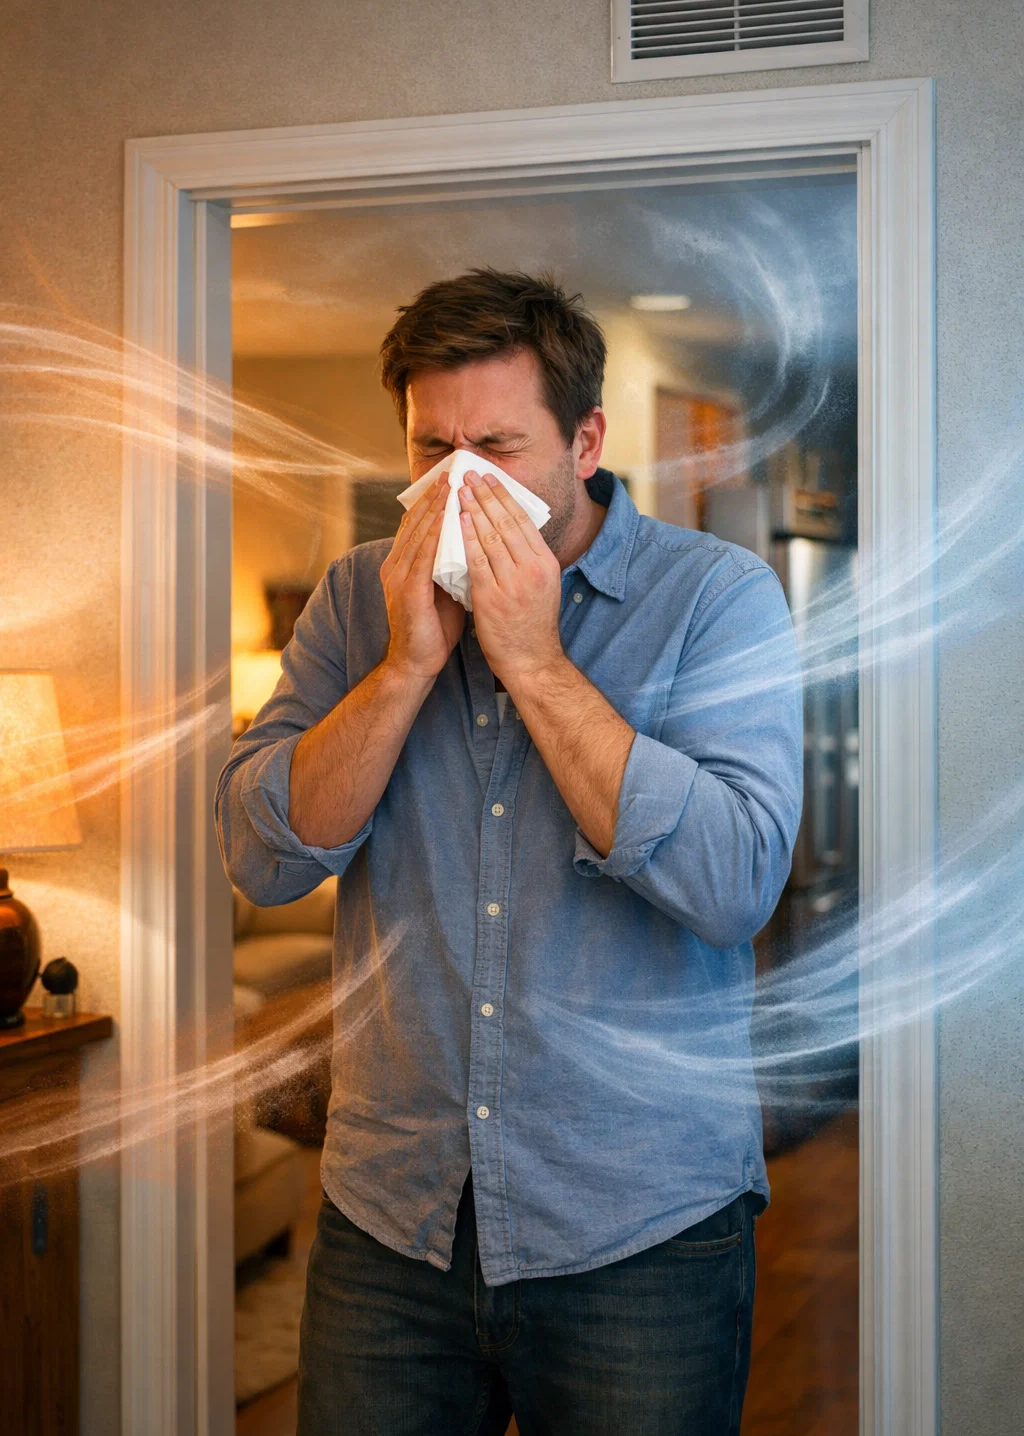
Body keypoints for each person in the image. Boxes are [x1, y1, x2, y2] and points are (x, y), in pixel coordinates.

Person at [216, 268, 803, 1435]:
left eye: (494, 445)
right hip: (393, 1216)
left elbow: (736, 882)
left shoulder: (715, 598)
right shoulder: (353, 600)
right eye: (430, 450)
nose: (453, 487)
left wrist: (535, 660)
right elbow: (263, 857)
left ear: (584, 440)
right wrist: (403, 669)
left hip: (638, 1224)